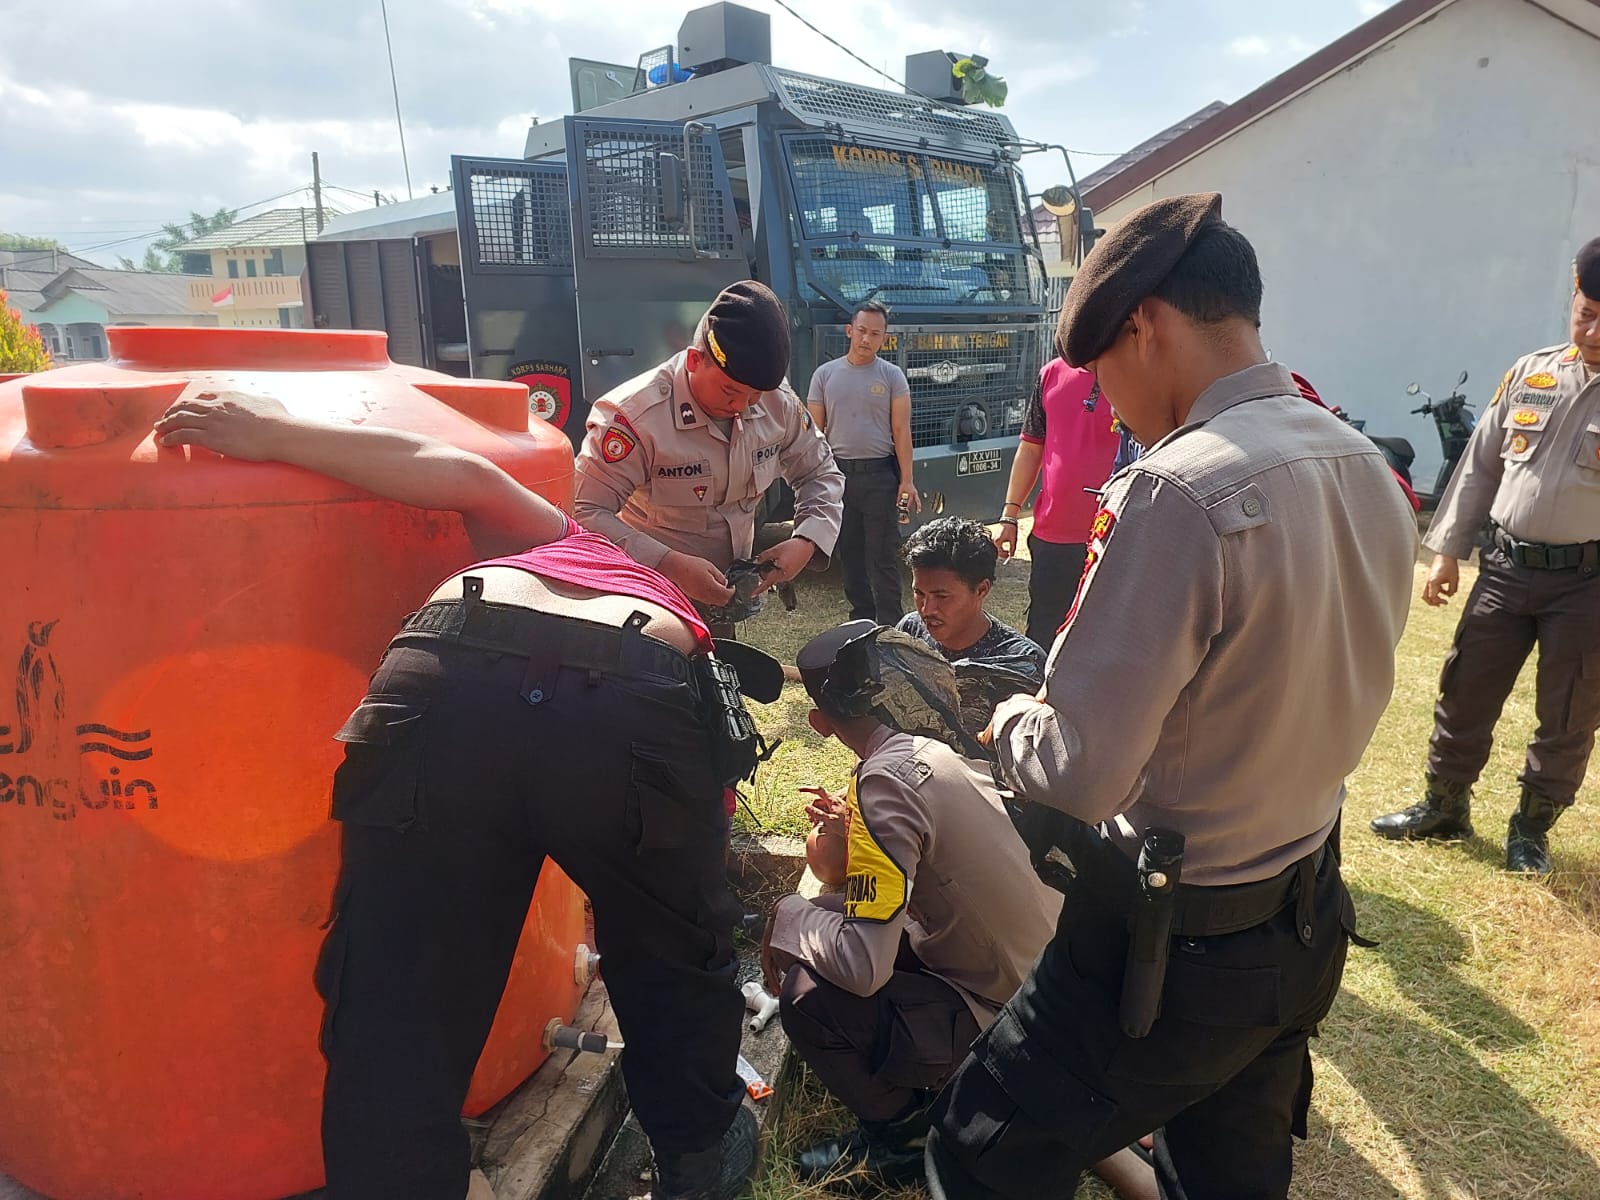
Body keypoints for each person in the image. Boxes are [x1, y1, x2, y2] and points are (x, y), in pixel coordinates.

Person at [922, 193, 1418, 1200]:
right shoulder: (1360, 459)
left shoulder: (1176, 487)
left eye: (1099, 370)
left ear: (1143, 326)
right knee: (1226, 1169)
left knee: (979, 1152)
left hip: (1171, 945)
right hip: (1304, 907)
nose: (1103, 401)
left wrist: (1010, 717)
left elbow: (1080, 770)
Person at [151, 392, 764, 1200]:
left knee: (397, 984)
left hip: (447, 670)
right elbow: (685, 917)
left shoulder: (557, 540)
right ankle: (700, 1159)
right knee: (677, 956)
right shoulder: (666, 616)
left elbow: (455, 470)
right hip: (630, 687)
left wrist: (267, 430)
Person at [763, 623, 1155, 1200]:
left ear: (820, 724)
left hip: (1012, 1014)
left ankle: (901, 1137)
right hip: (1057, 979)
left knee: (806, 991)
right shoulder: (932, 749)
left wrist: (785, 917)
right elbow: (873, 889)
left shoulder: (884, 782)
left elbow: (863, 966)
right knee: (828, 915)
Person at [1370, 237, 1600, 876]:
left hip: (1588, 583)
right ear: (1573, 298)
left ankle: (1531, 827)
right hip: (1505, 569)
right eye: (1587, 312)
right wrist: (1445, 550)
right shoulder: (1533, 374)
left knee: (1569, 710)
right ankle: (1445, 806)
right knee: (1465, 687)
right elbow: (1479, 468)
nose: (1595, 330)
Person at [573, 279, 844, 635]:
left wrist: (807, 540)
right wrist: (666, 563)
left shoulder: (777, 401)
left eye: (754, 397)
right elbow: (583, 512)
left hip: (723, 606)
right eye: (730, 392)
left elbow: (821, 472)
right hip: (644, 607)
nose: (741, 408)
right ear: (695, 360)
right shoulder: (634, 418)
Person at [995, 359, 1121, 648]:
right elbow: (1031, 447)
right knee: (1043, 636)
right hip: (1053, 537)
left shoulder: (1136, 372)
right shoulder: (1050, 374)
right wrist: (1010, 516)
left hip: (1114, 535)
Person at [806, 300, 919, 624]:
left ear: (884, 338)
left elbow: (901, 429)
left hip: (880, 478)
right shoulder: (824, 376)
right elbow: (816, 433)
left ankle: (890, 626)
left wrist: (906, 480)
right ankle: (862, 620)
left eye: (875, 333)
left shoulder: (892, 376)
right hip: (839, 477)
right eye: (861, 331)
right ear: (849, 331)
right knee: (850, 554)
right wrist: (818, 480)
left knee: (882, 556)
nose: (866, 339)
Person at [895, 516, 1046, 684]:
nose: (926, 609)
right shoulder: (910, 632)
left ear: (981, 589)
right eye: (919, 593)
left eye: (942, 597)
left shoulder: (1020, 664)